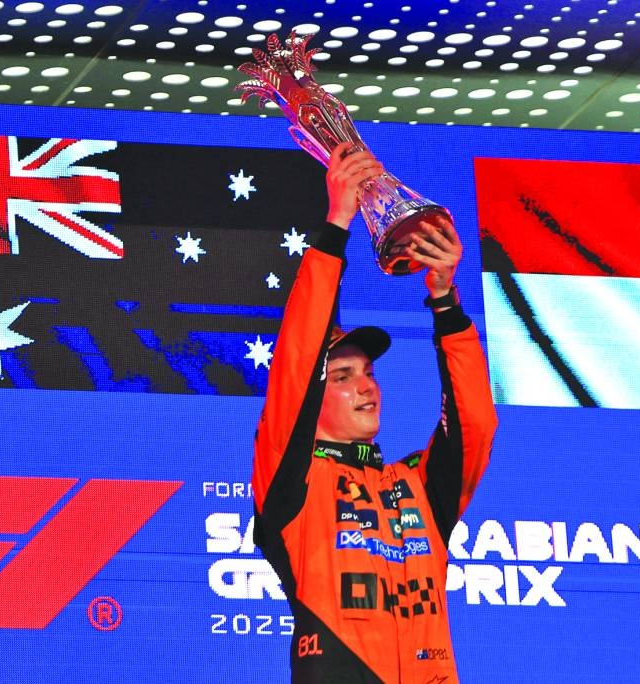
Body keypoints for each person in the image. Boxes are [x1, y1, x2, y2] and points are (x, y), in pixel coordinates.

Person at [252, 142, 497, 683]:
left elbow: (475, 423)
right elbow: (296, 361)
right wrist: (337, 223)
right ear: (312, 403)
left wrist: (444, 301)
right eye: (342, 376)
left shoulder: (418, 487)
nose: (367, 387)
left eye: (368, 373)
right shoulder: (293, 482)